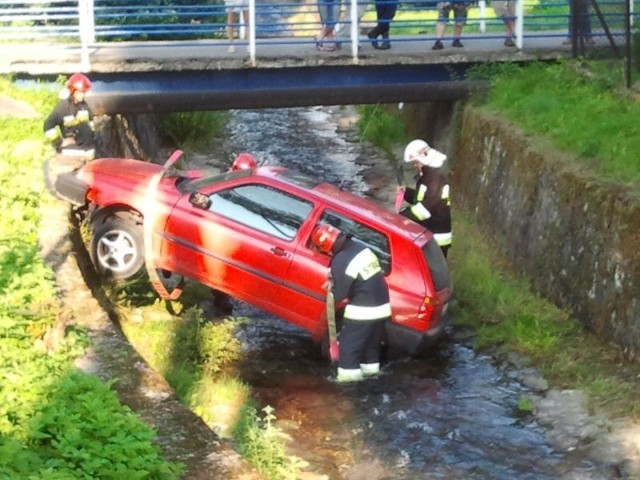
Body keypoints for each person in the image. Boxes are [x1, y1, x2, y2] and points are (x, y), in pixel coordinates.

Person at [311, 224, 391, 383]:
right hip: (383, 306)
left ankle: (349, 387)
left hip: (363, 310)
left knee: (348, 348)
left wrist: (332, 287)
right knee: (370, 346)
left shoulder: (341, 260)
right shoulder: (360, 248)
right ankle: (372, 379)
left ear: (325, 246)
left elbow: (338, 295)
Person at [400, 139, 452, 258]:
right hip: (431, 233)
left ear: (424, 159)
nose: (415, 165)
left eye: (416, 162)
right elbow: (422, 199)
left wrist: (402, 216)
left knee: (432, 273)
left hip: (437, 237)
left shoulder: (434, 179)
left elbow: (425, 208)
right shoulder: (430, 176)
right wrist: (406, 192)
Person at [43, 72, 96, 166]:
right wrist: (59, 142)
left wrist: (92, 134)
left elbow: (91, 121)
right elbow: (47, 126)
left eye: (84, 92)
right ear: (72, 91)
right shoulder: (63, 108)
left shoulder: (84, 105)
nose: (82, 95)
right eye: (80, 92)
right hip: (72, 155)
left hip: (88, 153)